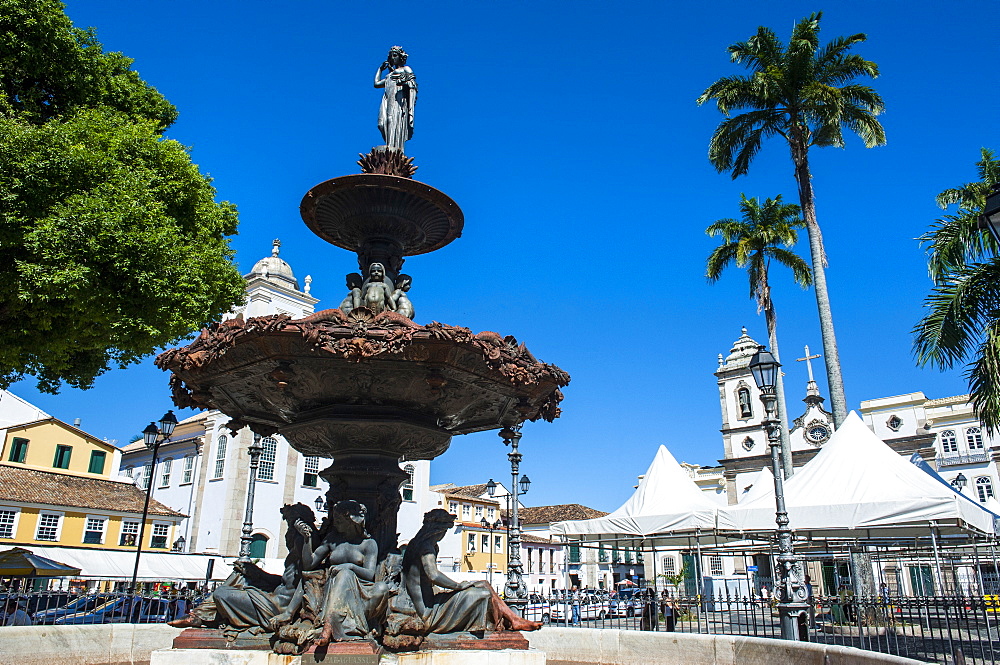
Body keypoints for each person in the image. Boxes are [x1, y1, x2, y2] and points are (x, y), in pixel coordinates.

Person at [391, 509, 540, 637]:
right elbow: (433, 575)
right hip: (427, 611)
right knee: (481, 594)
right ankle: (512, 620)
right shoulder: (425, 546)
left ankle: (514, 619)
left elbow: (421, 581)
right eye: (445, 531)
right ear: (437, 529)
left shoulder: (414, 544)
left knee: (484, 584)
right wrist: (457, 586)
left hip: (426, 603)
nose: (443, 536)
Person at [297, 499, 391, 646]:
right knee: (344, 574)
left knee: (381, 588)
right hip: (334, 588)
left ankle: (336, 624)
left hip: (360, 590)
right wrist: (306, 540)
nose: (335, 523)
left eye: (339, 520)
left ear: (352, 520)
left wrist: (350, 567)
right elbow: (309, 564)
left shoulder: (368, 544)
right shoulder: (332, 540)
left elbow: (370, 575)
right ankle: (329, 625)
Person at [374, 46, 416, 152]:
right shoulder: (389, 75)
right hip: (387, 99)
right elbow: (377, 84)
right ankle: (389, 145)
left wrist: (404, 82)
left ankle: (393, 148)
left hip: (398, 99)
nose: (393, 58)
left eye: (395, 55)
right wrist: (380, 69)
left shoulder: (406, 69)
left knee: (391, 120)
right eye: (391, 56)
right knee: (381, 124)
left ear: (400, 57)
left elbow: (413, 84)